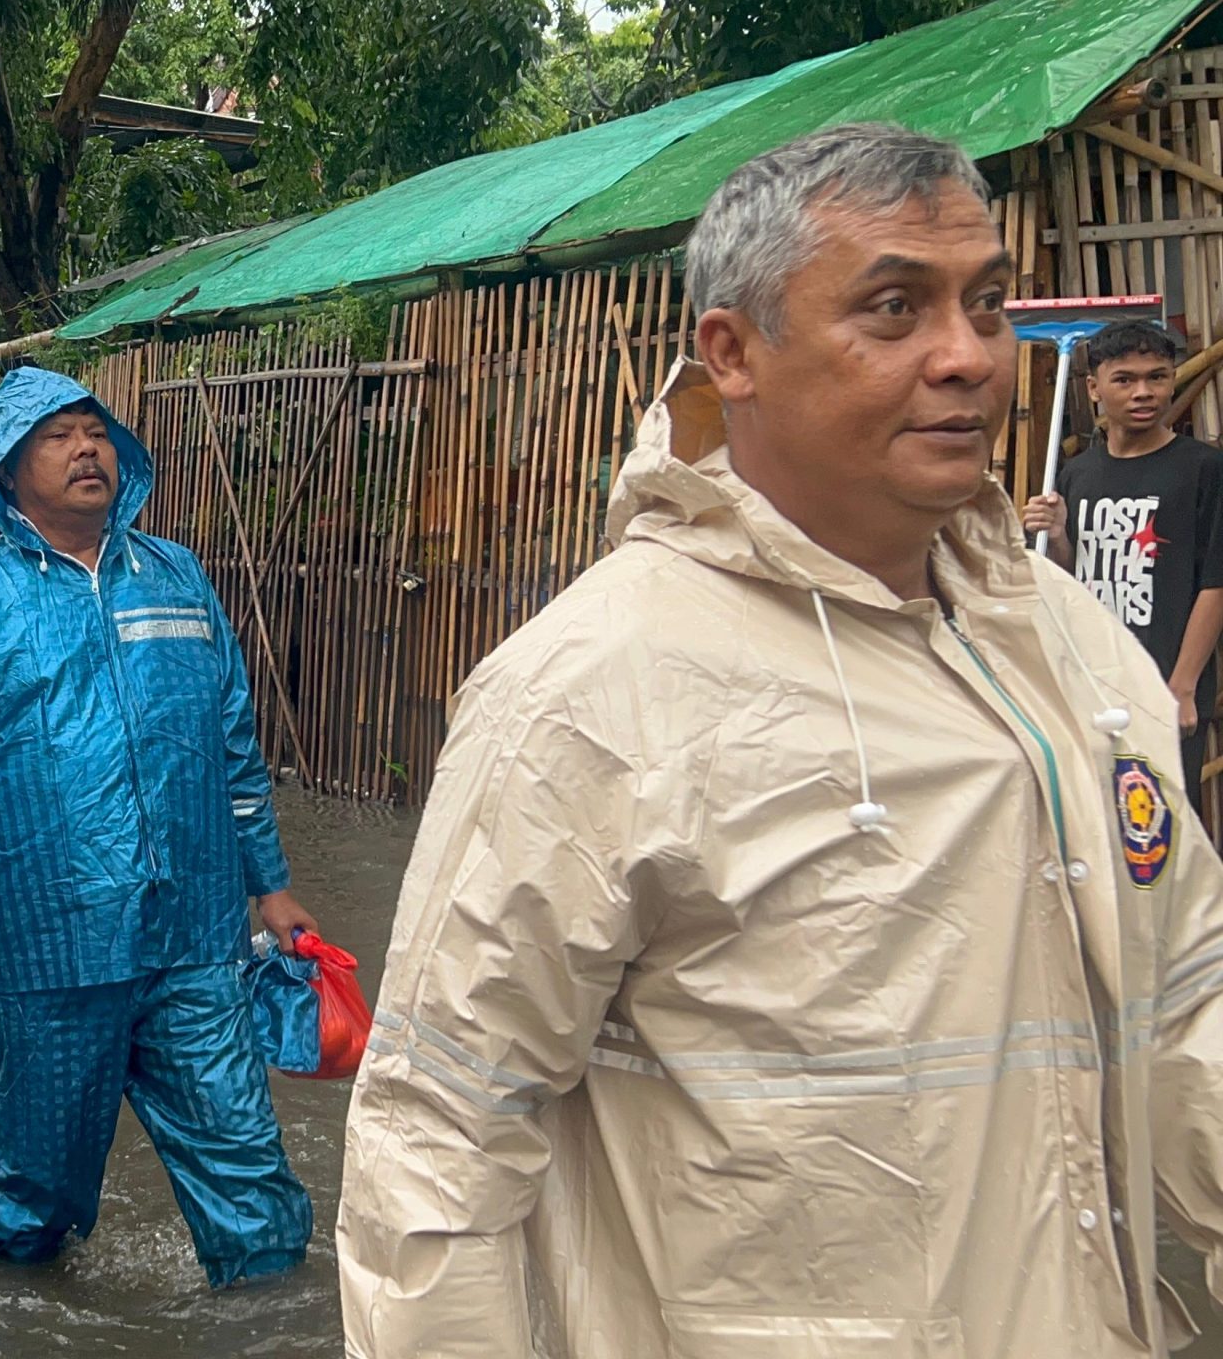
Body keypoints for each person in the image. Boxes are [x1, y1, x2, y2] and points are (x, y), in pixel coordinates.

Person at [336, 122, 1223, 1356]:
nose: (966, 357)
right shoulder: (589, 692)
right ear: (732, 353)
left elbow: (1189, 1008)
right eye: (894, 309)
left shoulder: (1071, 644)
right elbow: (436, 1149)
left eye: (985, 304)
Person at [0, 367, 316, 1286]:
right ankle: (19, 1314)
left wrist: (270, 888)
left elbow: (232, 745)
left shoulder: (176, 576)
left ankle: (269, 1318)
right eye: (58, 436)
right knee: (38, 1198)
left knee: (251, 1180)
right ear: (8, 469)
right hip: (47, 952)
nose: (87, 449)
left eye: (96, 431)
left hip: (194, 941)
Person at [1024, 319, 1223, 784]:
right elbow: (1073, 582)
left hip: (1162, 682)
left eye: (1157, 377)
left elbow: (1215, 582)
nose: (1144, 392)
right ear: (1094, 388)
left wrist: (1183, 685)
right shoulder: (1077, 474)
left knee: (1161, 811)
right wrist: (1058, 537)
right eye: (1125, 380)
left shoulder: (1203, 469)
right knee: (1094, 806)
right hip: (1090, 679)